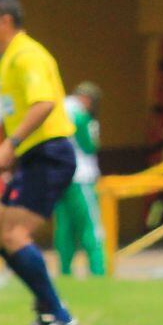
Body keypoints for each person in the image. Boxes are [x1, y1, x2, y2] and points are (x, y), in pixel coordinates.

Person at [0, 0, 79, 325]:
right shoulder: (7, 59)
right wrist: (11, 155)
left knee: (15, 235)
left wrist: (10, 146)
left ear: (6, 21)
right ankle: (47, 312)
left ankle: (61, 315)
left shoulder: (26, 56)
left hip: (49, 154)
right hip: (32, 157)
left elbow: (44, 104)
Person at [53, 81, 106, 277]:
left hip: (60, 177)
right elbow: (89, 147)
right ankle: (98, 271)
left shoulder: (57, 110)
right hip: (81, 178)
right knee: (91, 227)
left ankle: (65, 272)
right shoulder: (80, 115)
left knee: (64, 228)